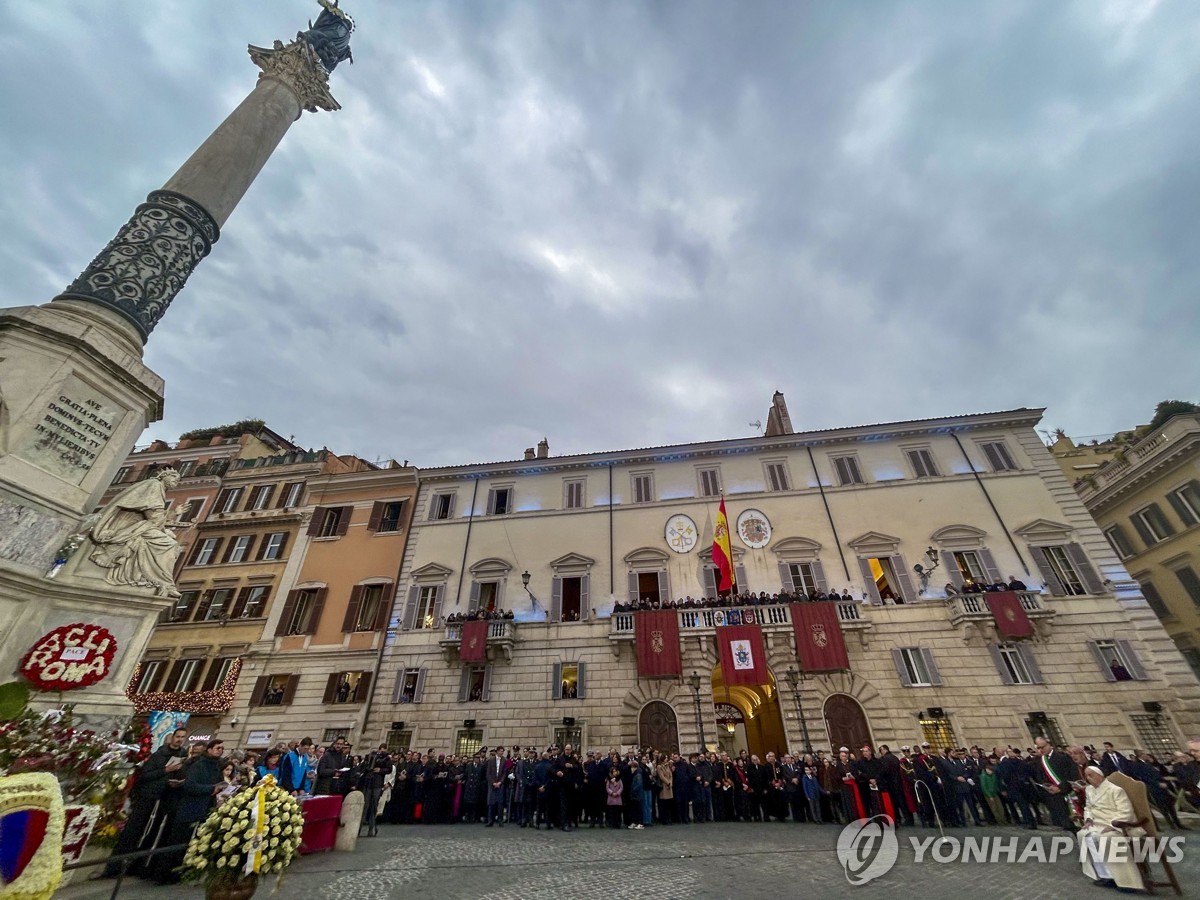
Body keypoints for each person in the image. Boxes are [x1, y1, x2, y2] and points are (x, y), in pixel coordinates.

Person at [104, 727, 188, 878]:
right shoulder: (158, 755)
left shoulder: (182, 755)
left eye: (183, 737)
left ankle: (136, 866)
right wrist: (166, 770)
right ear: (172, 737)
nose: (180, 739)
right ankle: (115, 867)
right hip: (148, 797)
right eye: (178, 736)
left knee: (149, 833)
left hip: (163, 799)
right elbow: (145, 776)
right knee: (134, 830)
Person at [147, 739, 226, 884]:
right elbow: (190, 785)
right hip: (190, 808)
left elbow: (217, 783)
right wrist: (210, 789)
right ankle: (161, 875)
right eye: (217, 748)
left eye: (222, 748)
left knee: (188, 845)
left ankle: (178, 873)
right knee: (176, 843)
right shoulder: (199, 765)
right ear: (209, 749)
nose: (220, 750)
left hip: (205, 808)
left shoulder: (216, 767)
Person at [1079, 766, 1145, 892]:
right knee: (1085, 835)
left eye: (1091, 775)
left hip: (1117, 824)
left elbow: (1126, 811)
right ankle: (1106, 875)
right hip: (1097, 823)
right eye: (1086, 776)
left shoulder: (1115, 790)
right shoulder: (1089, 790)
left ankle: (1127, 881)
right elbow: (1088, 807)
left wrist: (1112, 825)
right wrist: (1088, 819)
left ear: (1100, 775)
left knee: (1107, 839)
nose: (1088, 779)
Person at [1034, 736, 1080, 832]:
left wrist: (1060, 788)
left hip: (1067, 794)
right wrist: (1047, 786)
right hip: (1053, 797)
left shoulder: (1063, 757)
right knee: (1064, 824)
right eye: (1038, 748)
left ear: (1049, 744)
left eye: (1042, 747)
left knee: (1076, 822)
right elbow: (1039, 776)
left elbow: (1072, 775)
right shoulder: (1039, 760)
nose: (1041, 750)